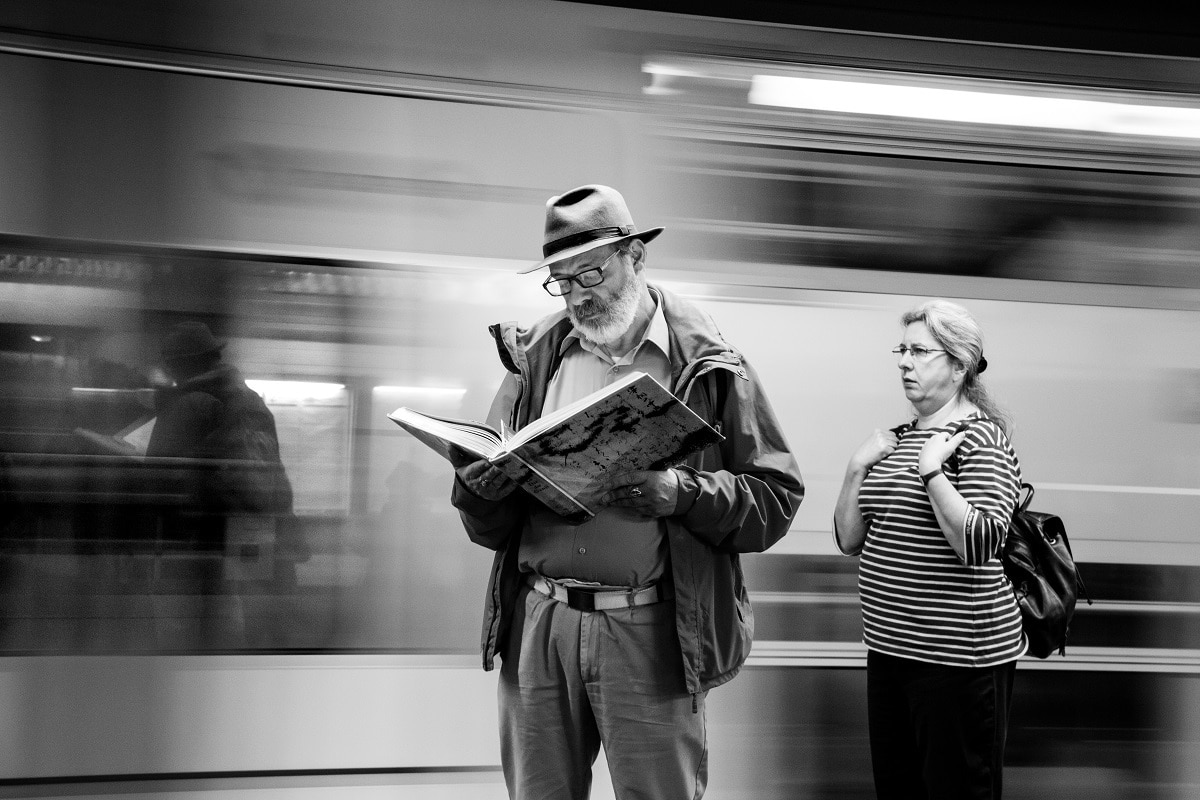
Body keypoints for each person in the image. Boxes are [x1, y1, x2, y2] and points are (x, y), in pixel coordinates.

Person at [450, 184, 804, 800]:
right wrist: (479, 488)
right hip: (540, 625)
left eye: (591, 272)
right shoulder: (535, 361)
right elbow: (488, 527)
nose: (578, 294)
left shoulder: (709, 363)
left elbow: (774, 498)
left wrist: (683, 493)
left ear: (636, 257)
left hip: (651, 632)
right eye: (561, 280)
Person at [833, 300, 1024, 799]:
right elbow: (851, 540)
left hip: (959, 661)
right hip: (891, 653)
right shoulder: (896, 439)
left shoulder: (979, 439)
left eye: (920, 351)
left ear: (959, 366)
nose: (903, 361)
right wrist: (857, 468)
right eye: (902, 349)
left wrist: (933, 471)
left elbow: (981, 544)